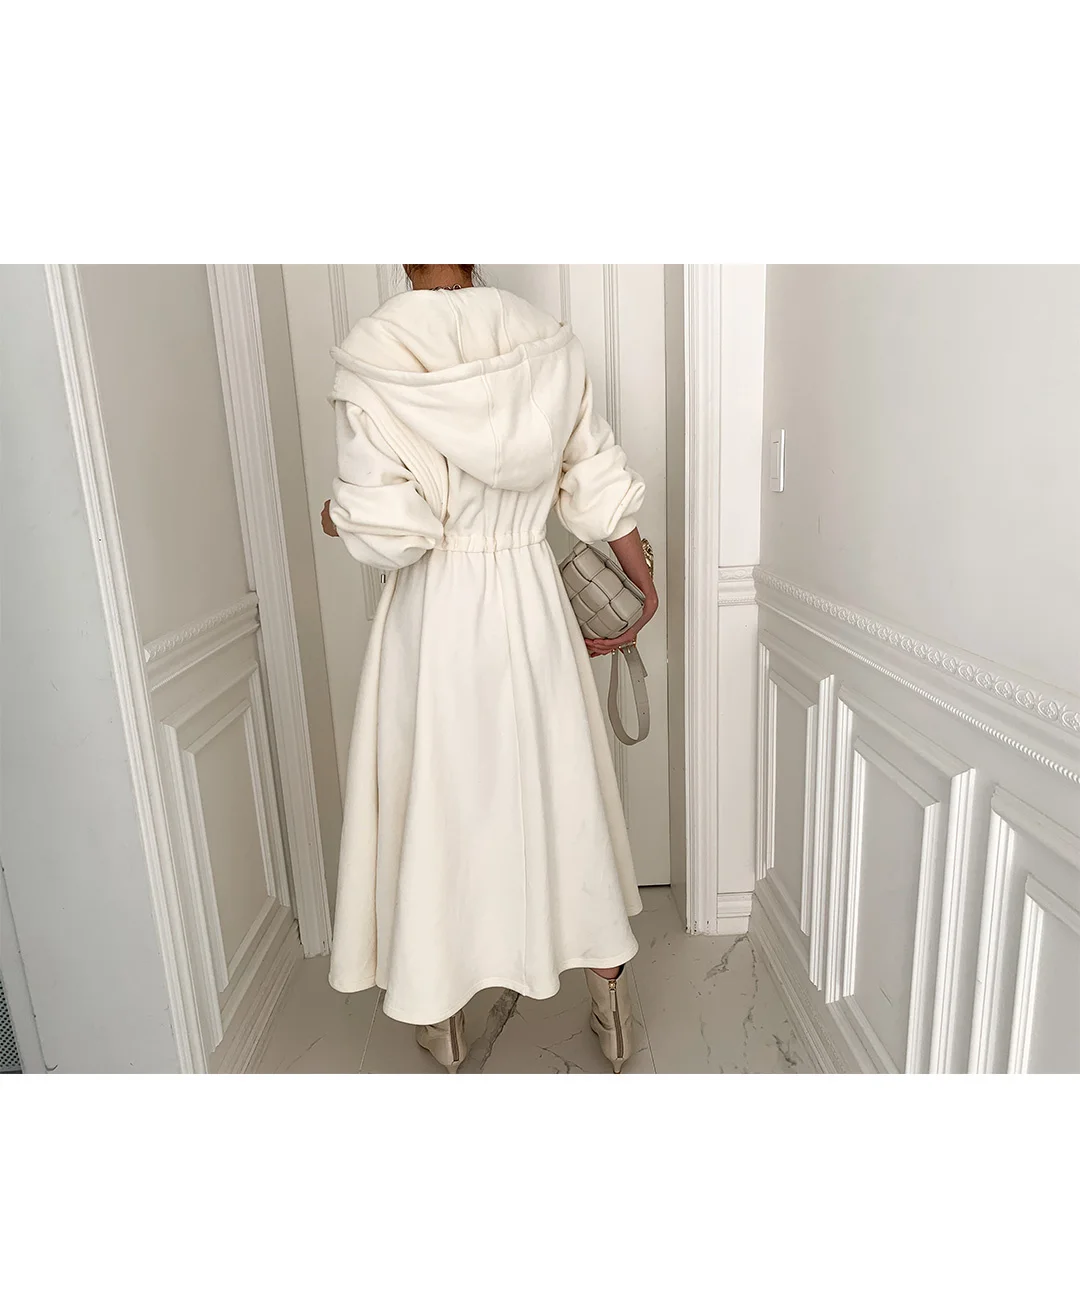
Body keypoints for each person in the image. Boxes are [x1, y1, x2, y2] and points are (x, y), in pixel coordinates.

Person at [320, 263, 658, 1073]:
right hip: (531, 598)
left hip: (435, 617)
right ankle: (611, 1007)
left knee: (438, 809)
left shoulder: (377, 354)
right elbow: (597, 479)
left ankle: (444, 1021)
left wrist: (334, 517)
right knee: (563, 794)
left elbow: (391, 531)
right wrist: (642, 585)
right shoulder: (547, 345)